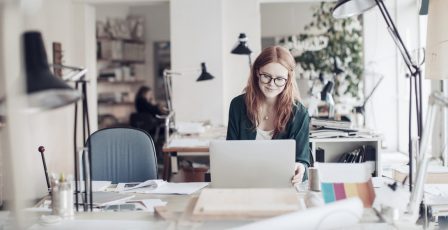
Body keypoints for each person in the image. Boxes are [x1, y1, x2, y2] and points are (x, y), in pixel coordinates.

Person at [226, 46, 310, 183]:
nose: (272, 84)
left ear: (288, 79)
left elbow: (303, 162)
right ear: (257, 73)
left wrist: (301, 168)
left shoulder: (299, 113)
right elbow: (229, 154)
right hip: (243, 182)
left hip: (281, 185)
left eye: (279, 79)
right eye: (266, 76)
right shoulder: (238, 106)